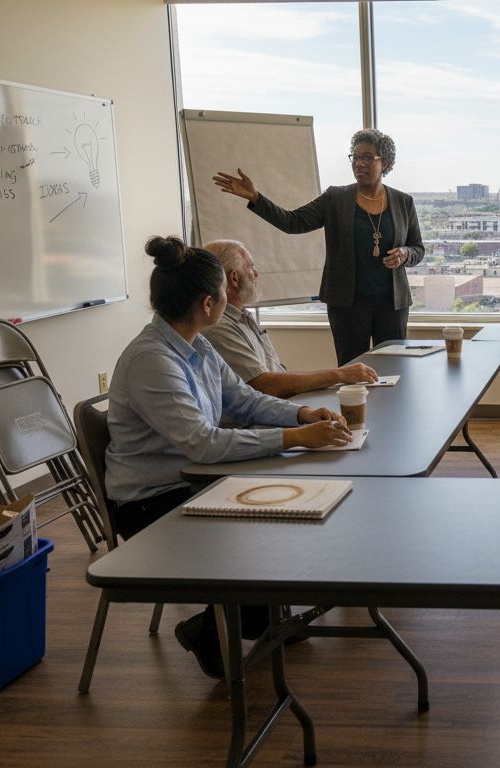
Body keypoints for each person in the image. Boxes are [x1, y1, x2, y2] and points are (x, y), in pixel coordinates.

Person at [106, 235, 352, 679]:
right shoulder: (152, 361)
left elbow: (244, 400)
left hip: (196, 481)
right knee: (275, 526)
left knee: (294, 511)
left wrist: (300, 412)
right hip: (152, 503)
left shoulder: (197, 346)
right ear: (208, 302)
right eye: (224, 291)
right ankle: (213, 628)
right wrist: (297, 436)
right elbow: (204, 443)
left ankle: (258, 614)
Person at [213, 128, 424, 365]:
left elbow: (418, 248)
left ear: (384, 162)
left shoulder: (403, 202)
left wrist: (405, 254)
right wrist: (256, 198)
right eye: (355, 157)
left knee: (396, 366)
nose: (359, 164)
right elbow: (292, 222)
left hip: (392, 304)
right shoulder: (336, 198)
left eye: (367, 157)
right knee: (352, 371)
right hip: (347, 304)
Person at [201, 239, 380, 396]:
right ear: (234, 278)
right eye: (251, 267)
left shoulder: (244, 317)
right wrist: (339, 375)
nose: (256, 274)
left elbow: (276, 374)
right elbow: (264, 386)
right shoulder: (218, 326)